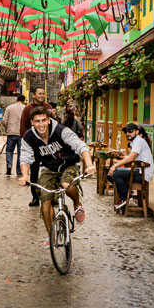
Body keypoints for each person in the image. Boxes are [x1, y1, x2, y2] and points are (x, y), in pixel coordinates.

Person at [18, 105, 95, 248]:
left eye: (43, 120)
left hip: (69, 164)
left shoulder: (61, 131)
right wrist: (25, 176)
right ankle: (50, 236)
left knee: (66, 184)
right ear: (32, 123)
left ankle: (77, 204)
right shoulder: (28, 137)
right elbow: (25, 159)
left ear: (49, 120)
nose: (41, 125)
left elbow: (81, 146)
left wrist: (89, 165)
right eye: (37, 121)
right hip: (48, 169)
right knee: (45, 199)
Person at [107, 123, 154, 210]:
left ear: (137, 132)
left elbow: (131, 158)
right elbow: (132, 157)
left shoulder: (139, 141)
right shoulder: (135, 142)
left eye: (130, 131)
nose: (127, 133)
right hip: (139, 170)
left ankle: (125, 197)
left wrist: (115, 165)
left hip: (143, 173)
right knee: (110, 175)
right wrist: (123, 155)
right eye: (126, 131)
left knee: (116, 174)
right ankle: (127, 193)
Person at [21, 86, 48, 207]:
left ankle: (52, 196)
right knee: (34, 172)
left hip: (48, 147)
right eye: (40, 93)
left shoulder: (48, 108)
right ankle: (35, 197)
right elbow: (24, 126)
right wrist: (27, 143)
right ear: (34, 95)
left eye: (43, 93)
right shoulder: (27, 109)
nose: (42, 95)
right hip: (34, 147)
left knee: (52, 169)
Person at [3, 94, 26, 176]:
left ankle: (9, 165)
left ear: (17, 99)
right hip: (21, 133)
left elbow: (4, 120)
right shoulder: (25, 108)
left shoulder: (9, 108)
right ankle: (19, 171)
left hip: (11, 132)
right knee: (20, 152)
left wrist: (6, 129)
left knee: (9, 150)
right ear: (23, 101)